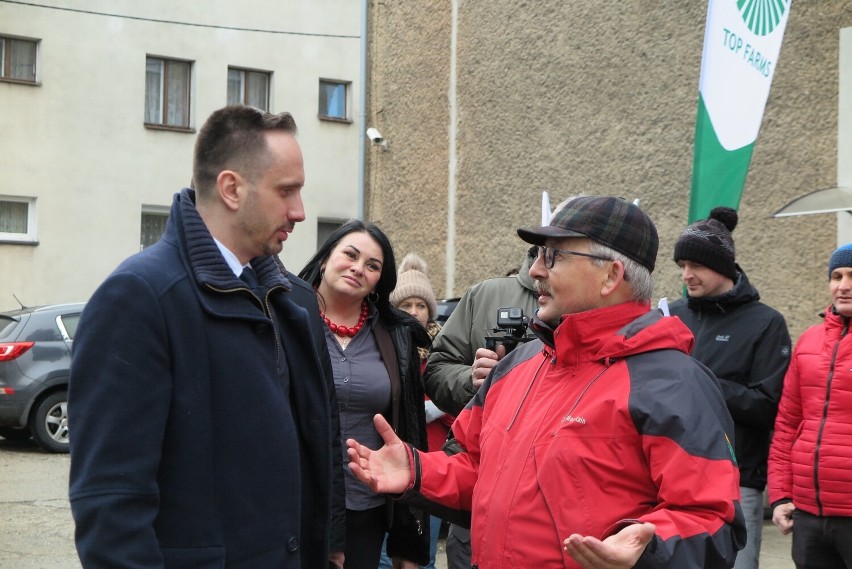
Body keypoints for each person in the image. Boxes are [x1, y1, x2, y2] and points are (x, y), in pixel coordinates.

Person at [347, 195, 746, 569]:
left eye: (553, 256)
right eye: (539, 254)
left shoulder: (674, 383)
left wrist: (649, 550)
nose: (536, 269)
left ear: (611, 276)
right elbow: (475, 469)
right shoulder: (518, 364)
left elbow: (712, 519)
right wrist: (417, 472)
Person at [68, 105, 345, 568]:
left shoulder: (292, 299)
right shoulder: (141, 297)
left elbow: (318, 444)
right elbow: (111, 506)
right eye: (286, 191)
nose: (299, 211)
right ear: (232, 188)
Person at [298, 222, 430, 569]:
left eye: (373, 265)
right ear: (325, 260)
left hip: (365, 505)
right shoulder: (285, 315)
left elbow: (411, 430)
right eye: (350, 255)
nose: (359, 268)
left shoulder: (396, 333)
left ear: (379, 281)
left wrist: (411, 541)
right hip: (296, 501)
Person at [669, 206, 791, 569]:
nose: (686, 275)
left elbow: (767, 406)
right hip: (675, 474)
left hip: (738, 481)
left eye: (695, 266)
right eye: (682, 267)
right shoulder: (671, 314)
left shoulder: (766, 323)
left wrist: (702, 380)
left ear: (722, 266)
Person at [421, 246, 538, 569]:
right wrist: (471, 380)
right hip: (485, 486)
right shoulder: (486, 295)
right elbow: (436, 369)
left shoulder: (595, 309)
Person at [768, 244, 852, 568]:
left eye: (851, 277)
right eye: (836, 275)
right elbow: (787, 424)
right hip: (808, 516)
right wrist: (780, 495)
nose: (843, 285)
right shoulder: (809, 341)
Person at [378, 253, 448, 569]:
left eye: (421, 306)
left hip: (431, 462)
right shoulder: (384, 346)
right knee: (383, 554)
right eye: (407, 305)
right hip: (387, 458)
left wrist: (436, 409)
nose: (414, 312)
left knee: (422, 556)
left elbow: (463, 403)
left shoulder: (444, 351)